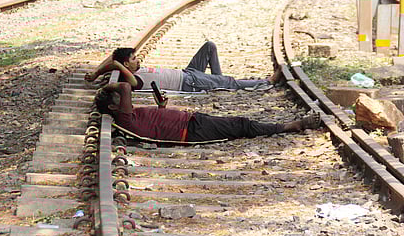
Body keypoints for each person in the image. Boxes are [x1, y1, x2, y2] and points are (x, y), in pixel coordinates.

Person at [94, 82, 321, 142]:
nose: (125, 98)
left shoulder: (127, 114)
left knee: (238, 124)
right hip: (192, 129)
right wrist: (106, 87)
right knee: (241, 125)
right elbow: (125, 86)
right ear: (114, 107)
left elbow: (152, 122)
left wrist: (161, 109)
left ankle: (287, 126)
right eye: (119, 100)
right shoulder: (123, 116)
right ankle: (292, 126)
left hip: (192, 122)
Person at [85, 42, 281, 92]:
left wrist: (95, 74)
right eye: (134, 59)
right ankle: (266, 82)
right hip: (189, 82)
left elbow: (111, 57)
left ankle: (219, 83)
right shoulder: (134, 80)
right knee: (229, 81)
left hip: (188, 73)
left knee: (209, 46)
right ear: (126, 64)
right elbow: (114, 62)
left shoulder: (132, 69)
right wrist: (117, 65)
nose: (139, 60)